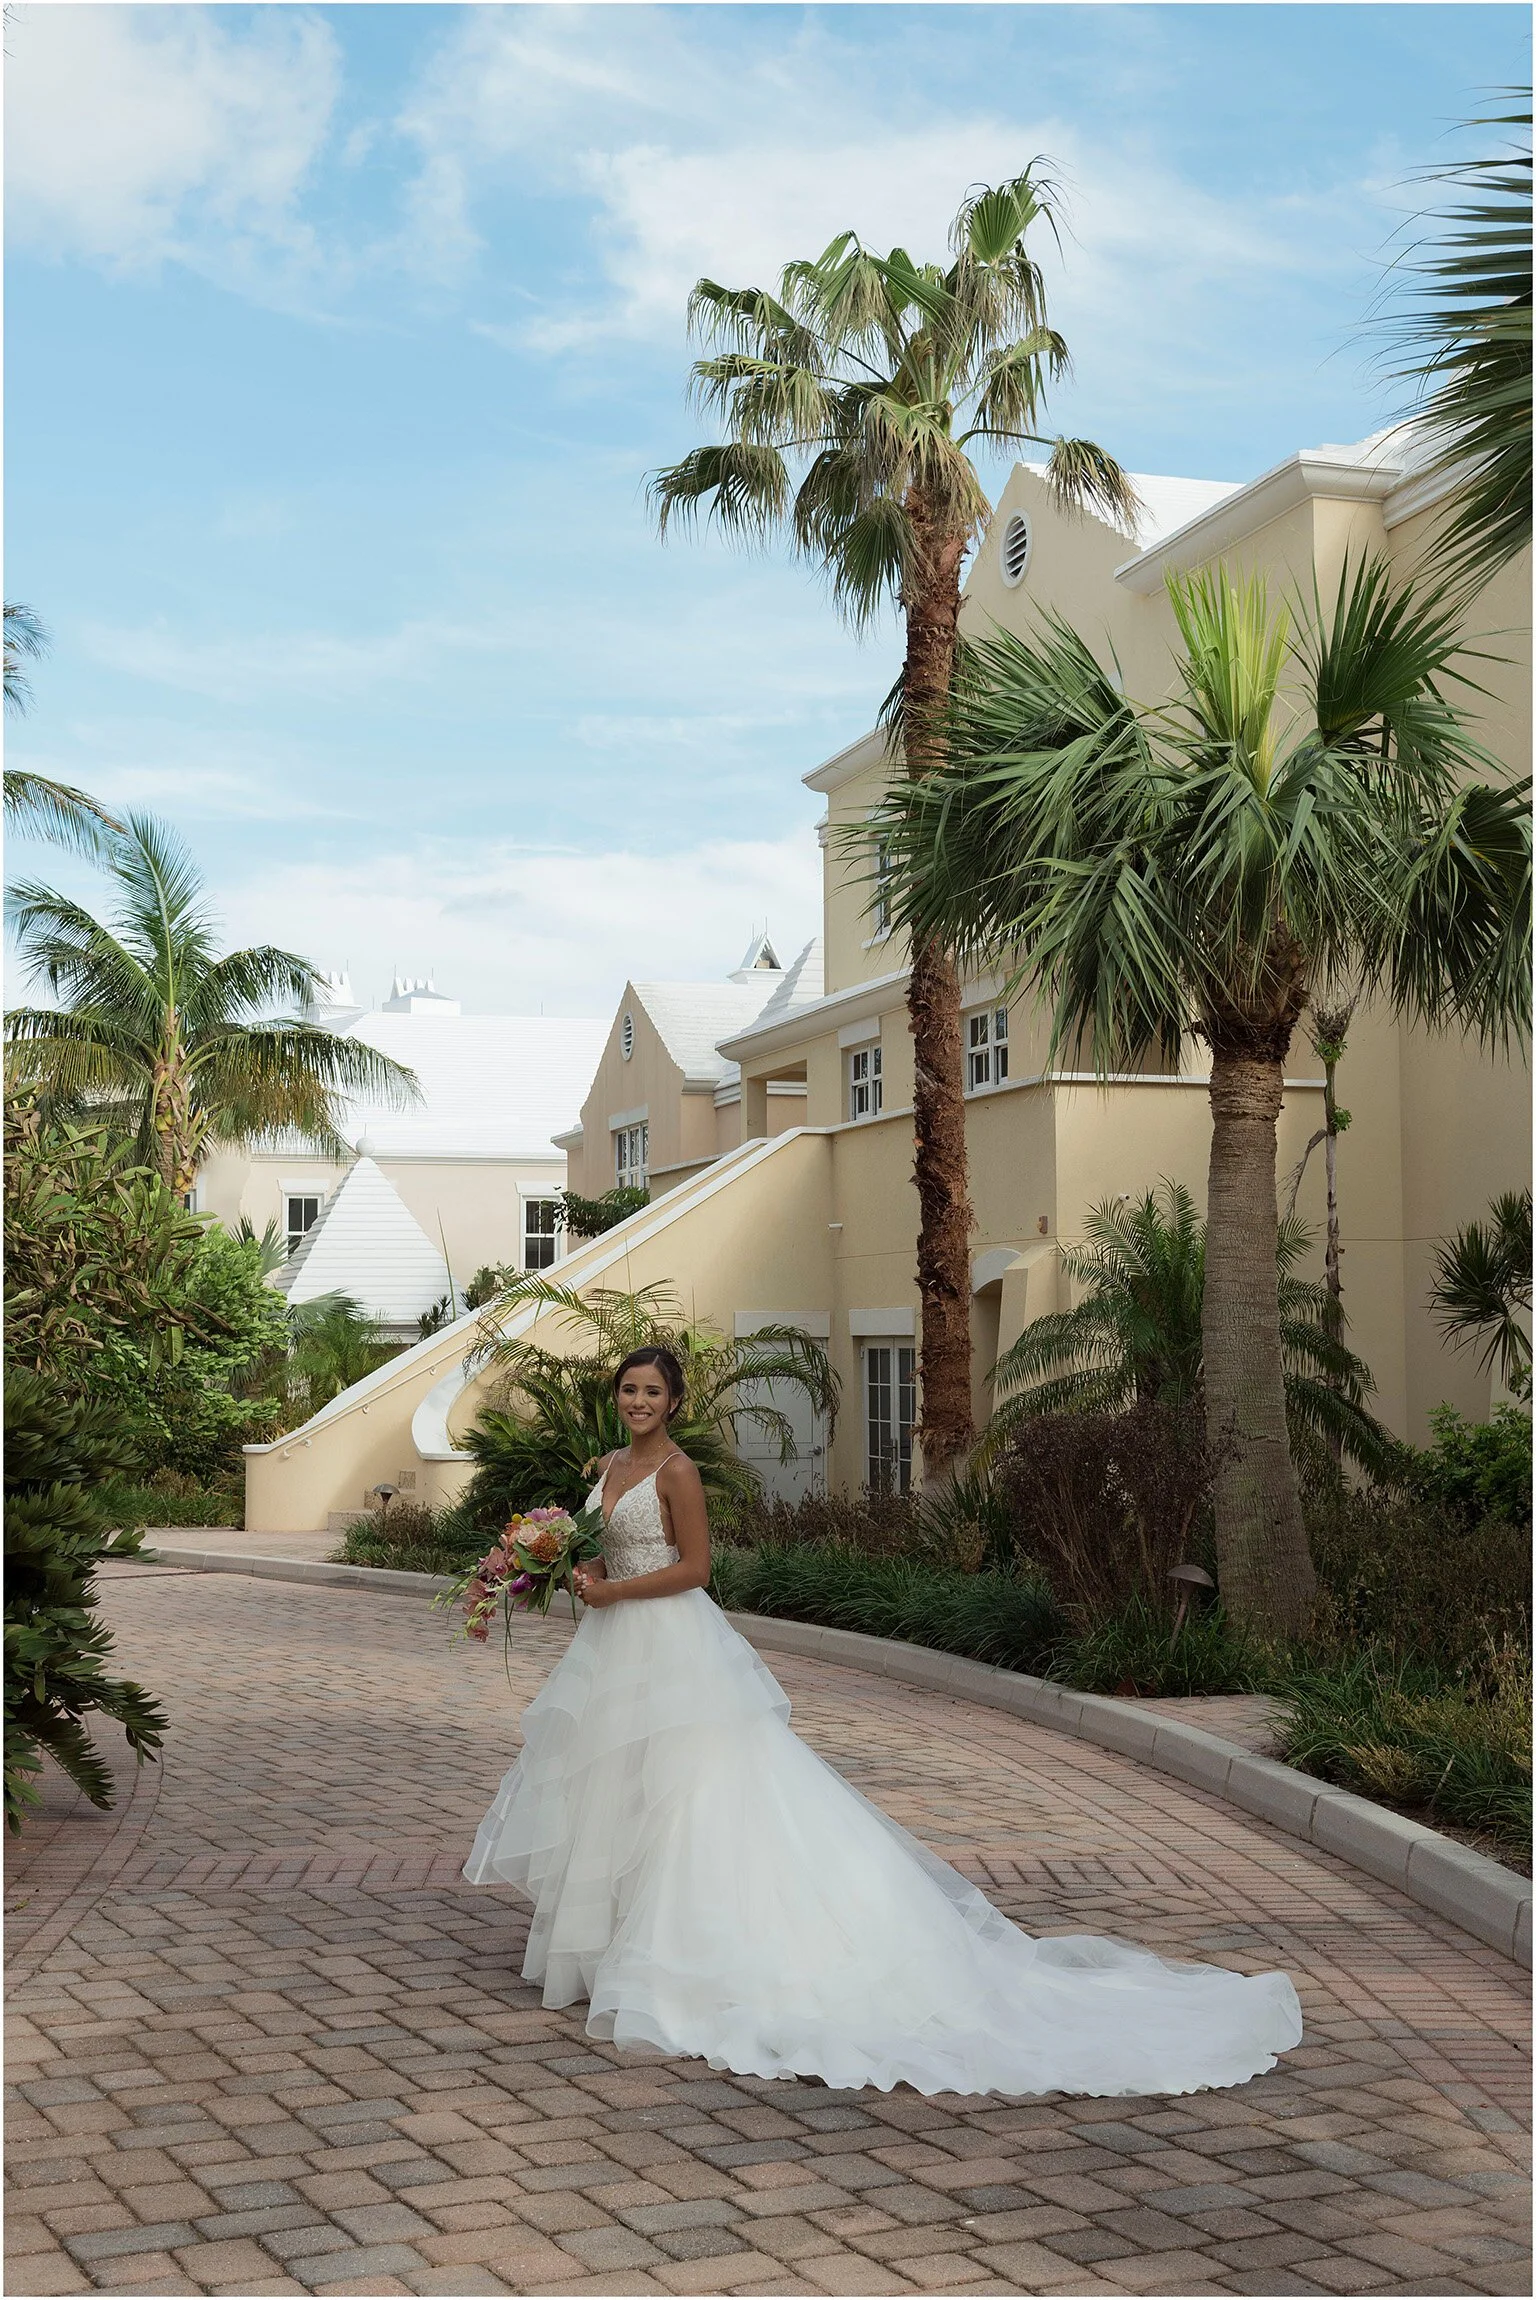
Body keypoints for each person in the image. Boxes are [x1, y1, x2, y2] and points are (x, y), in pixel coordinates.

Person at [464, 1344, 1302, 2097]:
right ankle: (612, 1947)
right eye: (628, 1390)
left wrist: (615, 1588)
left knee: (691, 1794)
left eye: (651, 1392)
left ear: (675, 1402)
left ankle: (689, 1962)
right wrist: (579, 1567)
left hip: (670, 1646)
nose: (638, 1402)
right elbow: (613, 1545)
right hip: (614, 1645)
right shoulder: (607, 1463)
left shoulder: (676, 1472)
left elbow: (695, 1568)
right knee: (621, 1786)